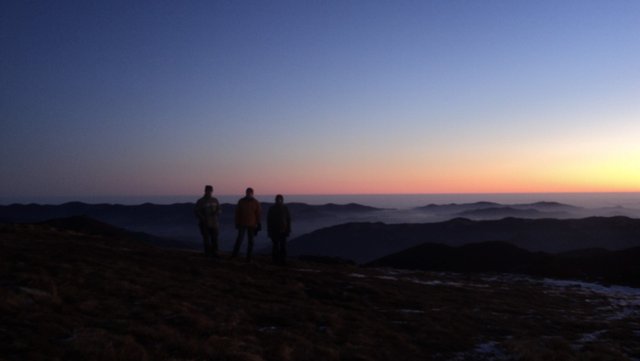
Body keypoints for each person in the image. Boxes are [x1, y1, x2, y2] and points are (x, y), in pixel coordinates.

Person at [232, 187, 261, 261]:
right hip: (242, 223)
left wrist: (258, 223)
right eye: (248, 192)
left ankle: (249, 257)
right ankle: (235, 255)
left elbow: (258, 214)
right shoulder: (241, 201)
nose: (249, 193)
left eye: (250, 192)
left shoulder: (255, 202)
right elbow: (237, 213)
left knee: (250, 241)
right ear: (246, 193)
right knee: (240, 239)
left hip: (252, 224)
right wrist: (237, 223)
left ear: (252, 193)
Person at [194, 185, 221, 258]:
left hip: (214, 223)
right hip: (204, 224)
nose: (209, 192)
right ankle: (207, 254)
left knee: (214, 239)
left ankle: (215, 253)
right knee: (206, 240)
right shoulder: (201, 201)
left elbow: (219, 209)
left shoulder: (215, 200)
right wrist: (202, 218)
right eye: (208, 190)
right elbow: (196, 211)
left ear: (212, 191)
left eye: (210, 190)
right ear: (205, 191)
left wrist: (217, 212)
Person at [267, 194, 291, 265]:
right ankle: (275, 260)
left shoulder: (285, 208)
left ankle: (283, 260)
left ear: (282, 200)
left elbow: (288, 219)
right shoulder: (272, 209)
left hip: (283, 230)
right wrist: (269, 231)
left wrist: (288, 230)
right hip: (274, 231)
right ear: (276, 200)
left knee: (283, 246)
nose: (279, 200)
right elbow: (269, 221)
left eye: (280, 199)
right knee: (275, 246)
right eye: (278, 199)